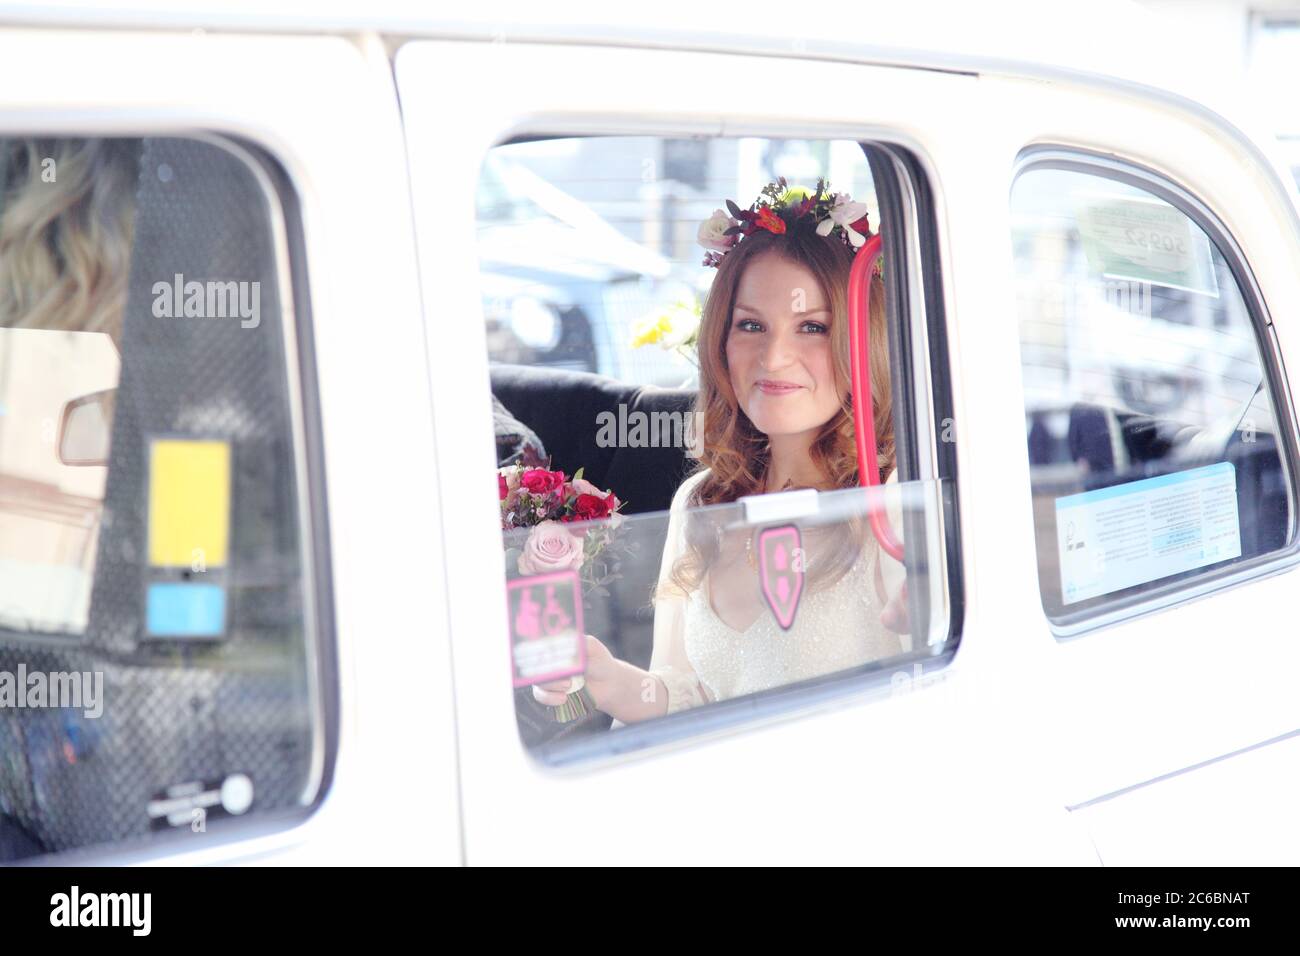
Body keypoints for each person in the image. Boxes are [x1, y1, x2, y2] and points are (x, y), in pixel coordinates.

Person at [534, 179, 909, 723]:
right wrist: (604, 676)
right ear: (720, 342)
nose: (774, 357)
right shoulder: (701, 501)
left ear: (863, 338)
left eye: (813, 327)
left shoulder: (891, 504)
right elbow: (681, 694)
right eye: (751, 325)